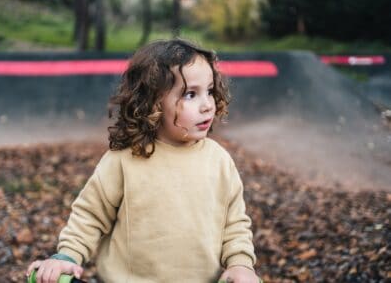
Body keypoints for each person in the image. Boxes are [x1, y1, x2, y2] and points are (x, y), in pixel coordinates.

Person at [26, 39, 259, 283]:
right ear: (153, 103)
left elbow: (234, 224)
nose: (207, 105)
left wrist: (241, 264)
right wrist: (67, 256)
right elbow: (90, 215)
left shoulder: (219, 160)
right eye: (191, 94)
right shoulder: (124, 160)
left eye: (209, 91)